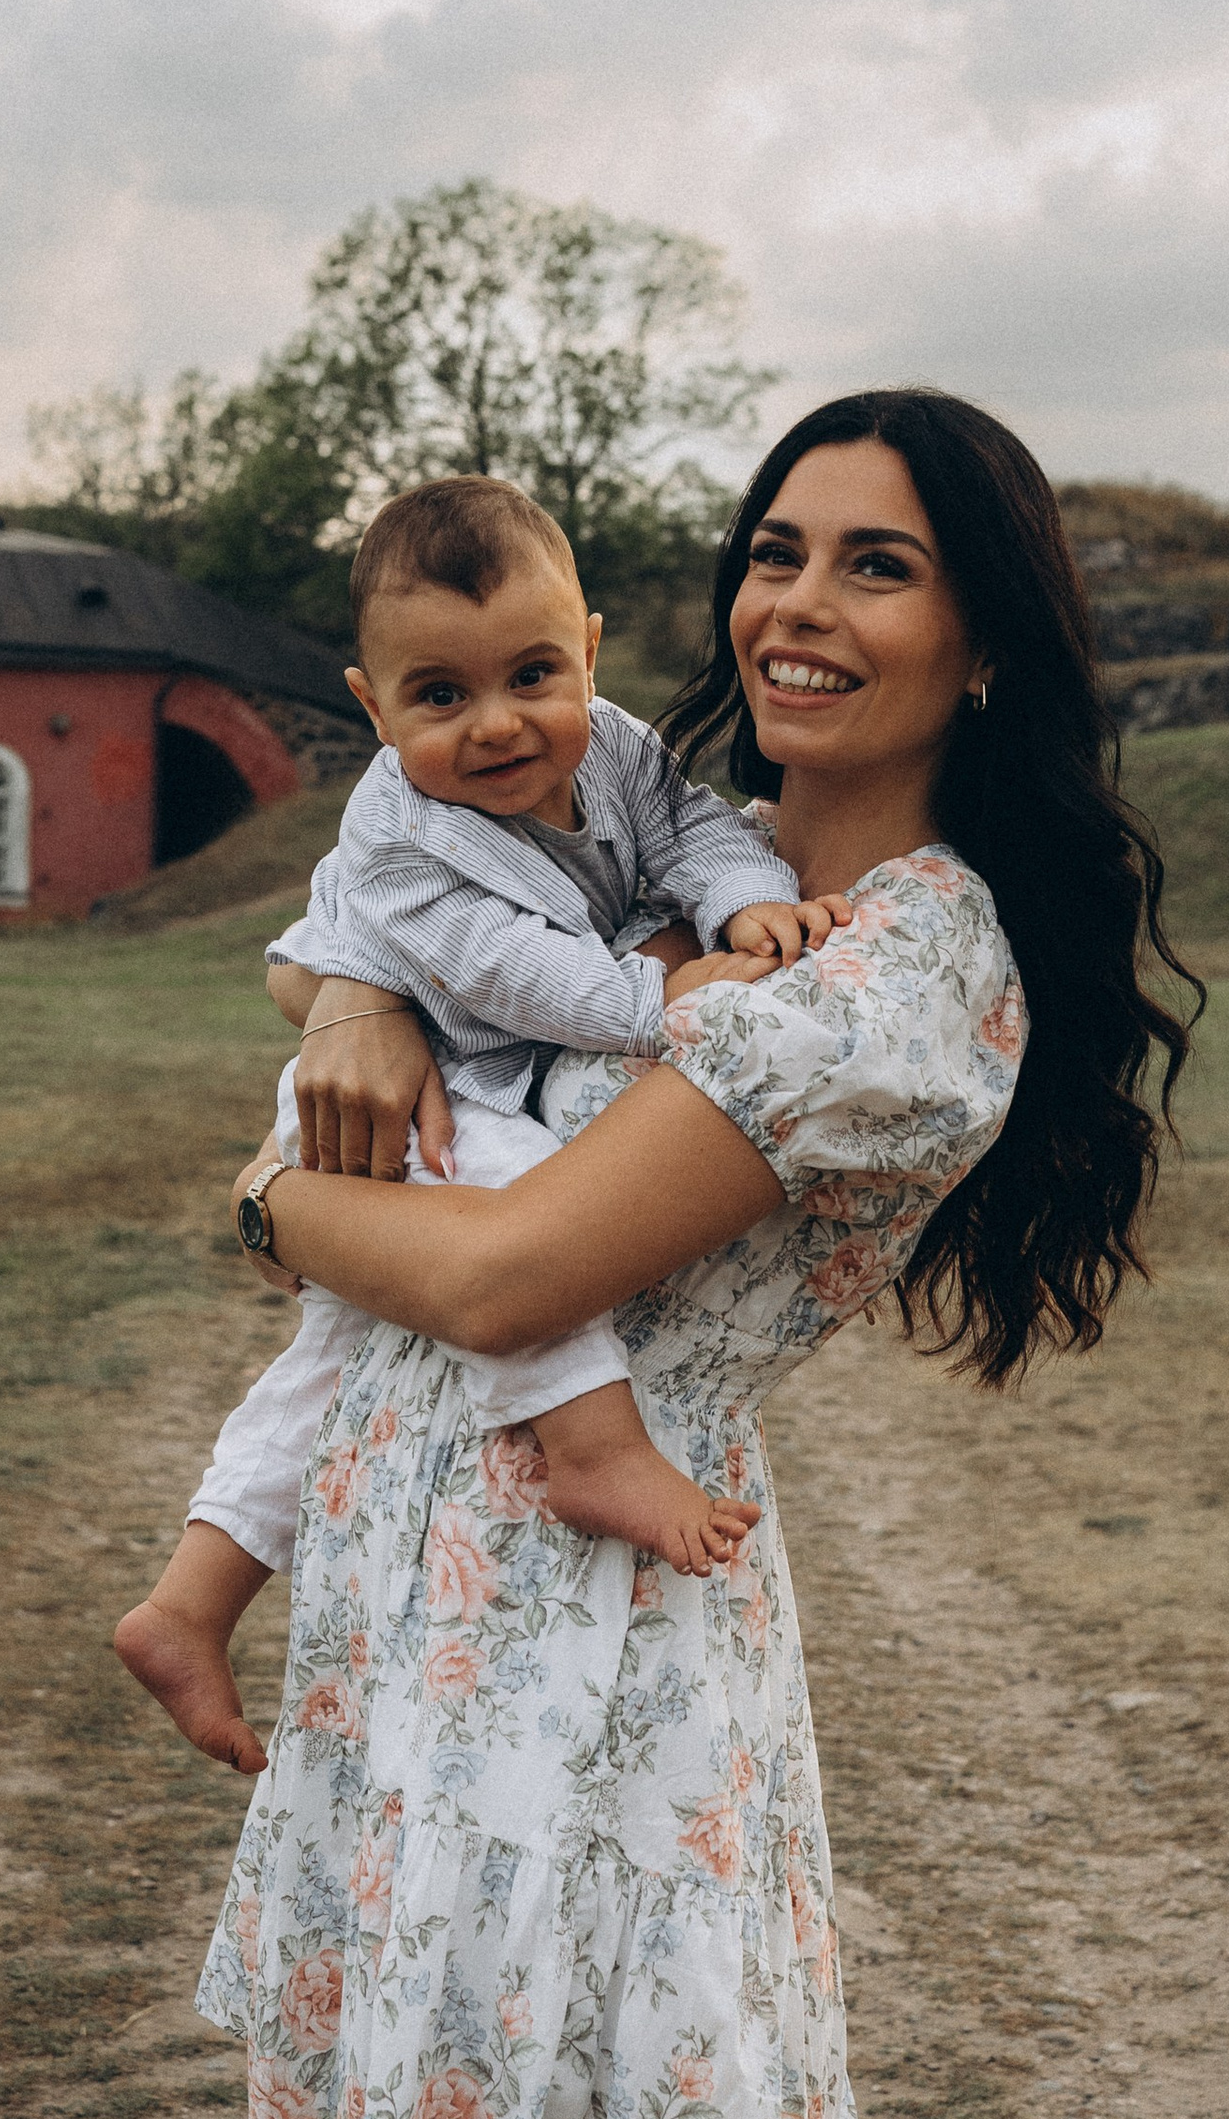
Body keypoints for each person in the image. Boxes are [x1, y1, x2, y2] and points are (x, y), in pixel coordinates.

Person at [175, 389, 1197, 2119]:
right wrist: (347, 989)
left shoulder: (901, 974)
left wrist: (267, 1190)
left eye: (877, 565)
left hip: (581, 1676)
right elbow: (396, 900)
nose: (795, 605)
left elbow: (511, 1269)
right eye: (775, 547)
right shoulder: (698, 842)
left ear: (987, 646)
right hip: (458, 1632)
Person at [117, 472, 857, 1779]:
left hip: (475, 1067)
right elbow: (497, 967)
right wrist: (667, 994)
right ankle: (592, 1447)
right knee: (511, 1227)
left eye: (533, 674)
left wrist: (745, 905)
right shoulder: (396, 833)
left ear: (588, 648)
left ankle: (189, 1602)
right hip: (425, 1094)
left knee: (330, 1355)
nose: (500, 725)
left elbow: (694, 834)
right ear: (372, 704)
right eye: (441, 697)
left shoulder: (621, 749)